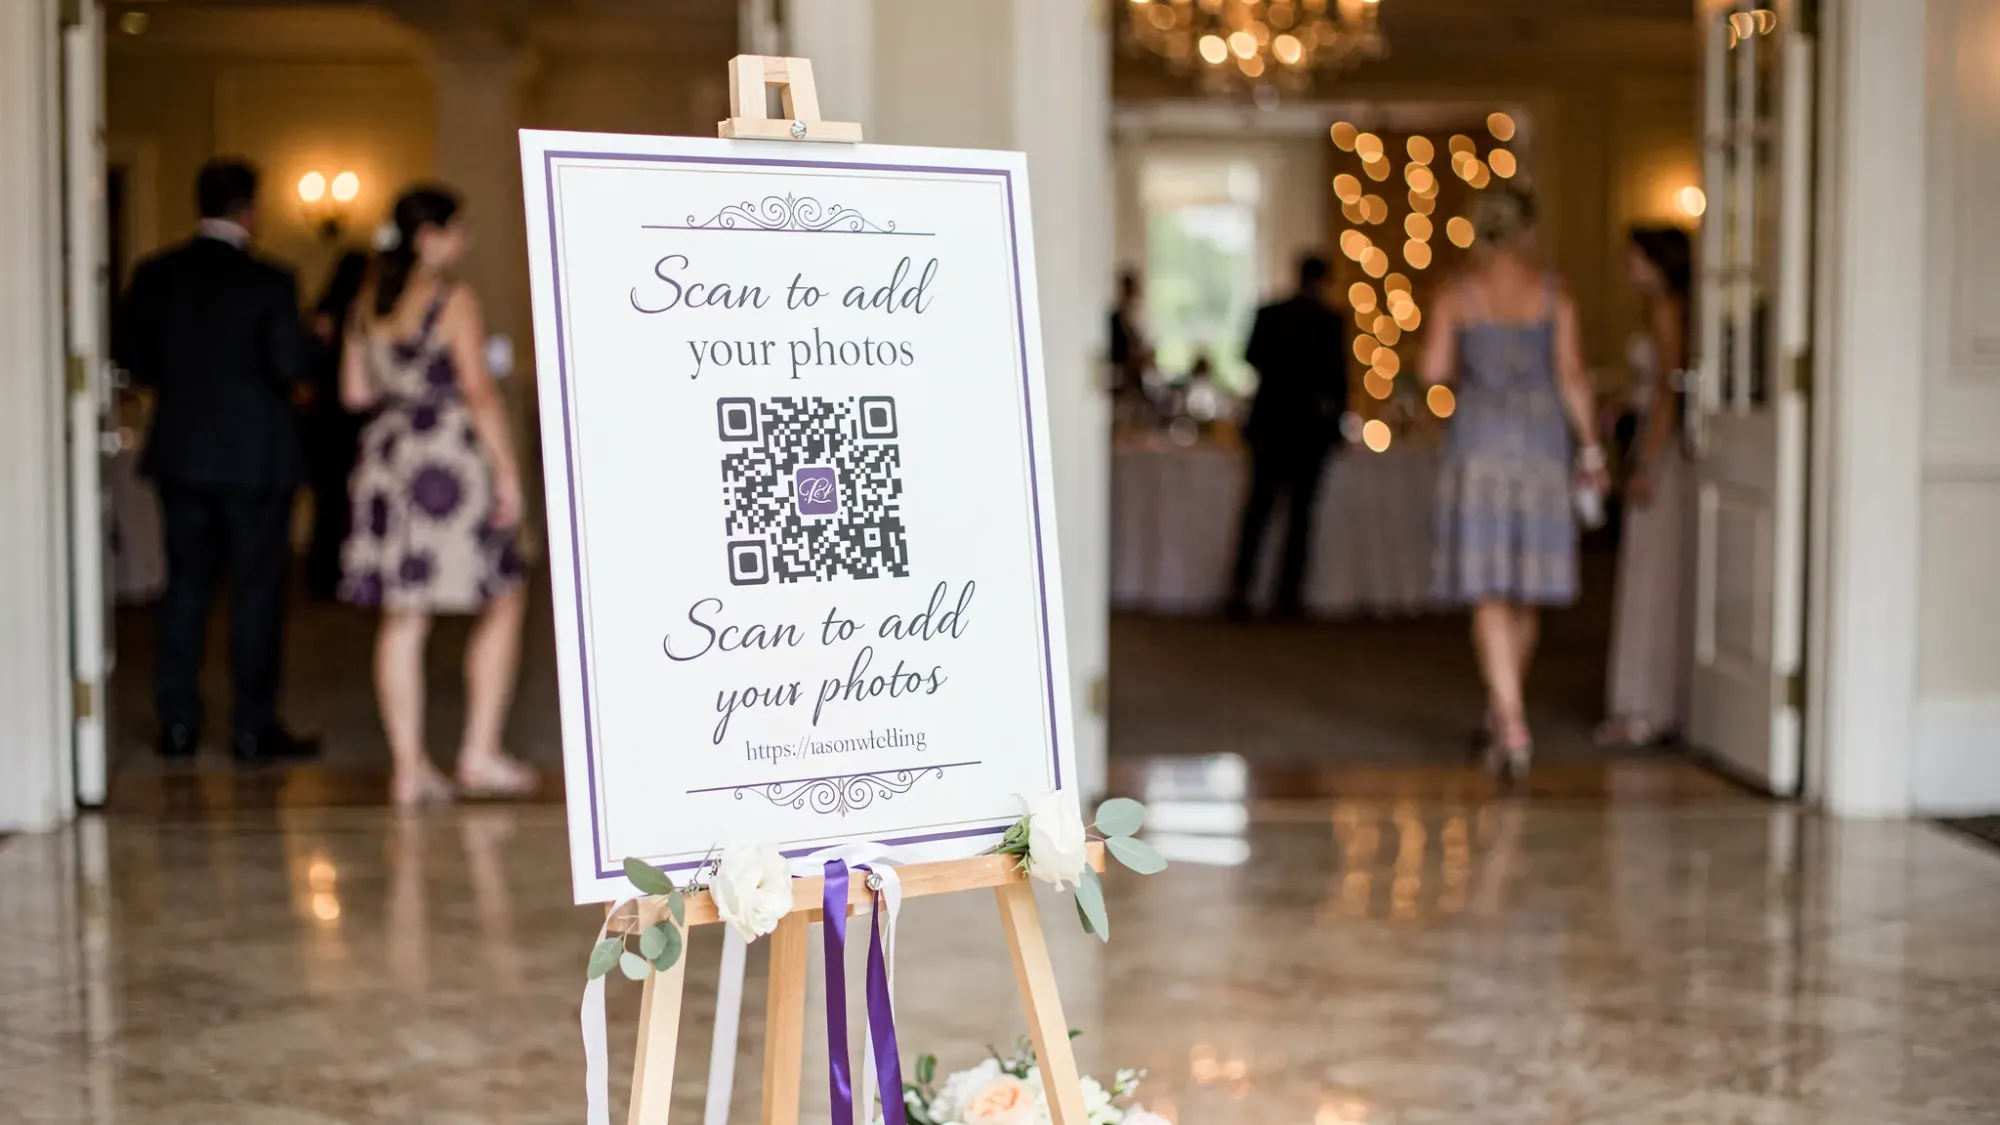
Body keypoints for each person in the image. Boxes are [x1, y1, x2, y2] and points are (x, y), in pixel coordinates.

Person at [116, 158, 320, 765]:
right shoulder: (271, 280)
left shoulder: (156, 274)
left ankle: (178, 725)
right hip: (256, 459)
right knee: (256, 594)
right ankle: (252, 729)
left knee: (185, 590)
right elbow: (292, 366)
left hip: (182, 454)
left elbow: (133, 358)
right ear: (250, 211)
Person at [339, 185, 534, 807]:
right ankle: (478, 752)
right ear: (429, 236)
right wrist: (508, 474)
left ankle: (408, 768)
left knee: (403, 614)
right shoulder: (454, 299)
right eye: (458, 228)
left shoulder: (367, 300)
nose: (465, 240)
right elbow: (478, 391)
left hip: (387, 458)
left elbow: (355, 396)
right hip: (445, 462)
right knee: (505, 593)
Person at [1419, 185, 1605, 781]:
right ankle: (1505, 714)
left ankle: (1510, 720)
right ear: (1527, 229)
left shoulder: (1457, 292)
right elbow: (1572, 374)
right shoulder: (1554, 290)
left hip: (1479, 440)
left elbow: (1431, 372)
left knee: (1489, 589)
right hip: (1542, 443)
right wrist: (1593, 445)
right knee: (1526, 587)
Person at [1598, 228, 1693, 747]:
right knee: (1655, 572)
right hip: (1654, 442)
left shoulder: (1665, 310)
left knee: (1650, 574)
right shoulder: (1664, 308)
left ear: (1657, 263)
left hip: (1661, 453)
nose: (1625, 267)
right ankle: (1651, 701)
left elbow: (1668, 390)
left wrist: (1649, 462)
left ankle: (1644, 707)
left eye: (1632, 258)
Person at [1226, 254, 1348, 620]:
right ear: (1324, 279)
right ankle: (1286, 598)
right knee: (1298, 517)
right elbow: (1339, 380)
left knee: (1258, 511)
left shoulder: (1271, 314)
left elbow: (1249, 357)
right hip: (1308, 430)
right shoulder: (1329, 321)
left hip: (1270, 424)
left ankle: (1241, 589)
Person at [301, 251, 371, 601]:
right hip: (352, 420)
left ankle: (323, 573)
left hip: (323, 420)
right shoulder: (362, 316)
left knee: (327, 501)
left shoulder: (320, 316)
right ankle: (345, 572)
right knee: (347, 499)